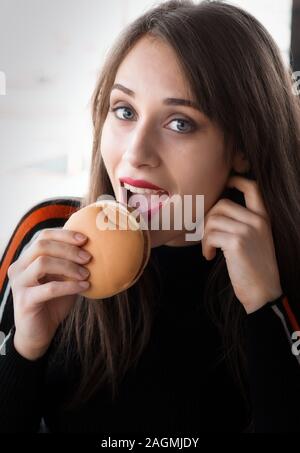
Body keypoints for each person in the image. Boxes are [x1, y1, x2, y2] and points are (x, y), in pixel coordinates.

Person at [1, 0, 300, 433]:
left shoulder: (283, 262)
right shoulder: (47, 236)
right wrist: (24, 349)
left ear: (243, 146)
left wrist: (267, 309)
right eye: (124, 111)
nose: (135, 154)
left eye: (180, 123)